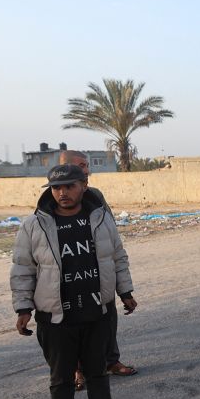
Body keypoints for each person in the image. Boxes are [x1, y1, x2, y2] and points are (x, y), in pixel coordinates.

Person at [11, 164, 138, 399]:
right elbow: (22, 268)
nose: (62, 193)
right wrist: (23, 308)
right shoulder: (35, 224)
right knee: (61, 375)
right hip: (56, 316)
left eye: (69, 186)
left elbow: (117, 255)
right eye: (56, 188)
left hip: (96, 310)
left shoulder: (100, 217)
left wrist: (125, 291)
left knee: (97, 370)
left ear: (84, 185)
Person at [60, 149, 138, 384]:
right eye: (82, 166)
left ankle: (111, 361)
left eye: (86, 166)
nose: (87, 170)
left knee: (107, 317)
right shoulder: (52, 203)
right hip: (70, 279)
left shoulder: (95, 197)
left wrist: (124, 289)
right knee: (72, 326)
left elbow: (112, 237)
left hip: (99, 274)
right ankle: (78, 370)